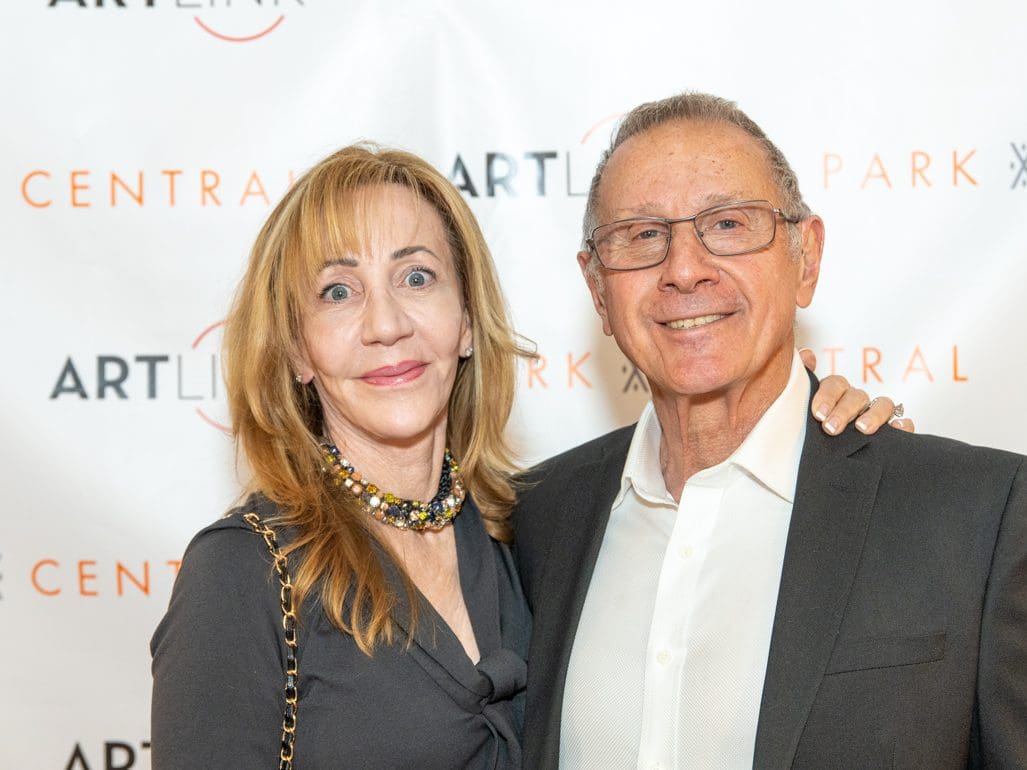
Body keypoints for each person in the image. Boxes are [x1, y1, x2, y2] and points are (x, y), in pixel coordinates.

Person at [150, 143, 901, 769]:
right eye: (337, 292)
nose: (386, 324)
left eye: (417, 277)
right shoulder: (245, 573)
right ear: (295, 349)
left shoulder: (532, 533)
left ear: (466, 320)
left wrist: (821, 439)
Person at [512, 92, 1027, 769]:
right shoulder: (533, 521)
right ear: (598, 290)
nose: (683, 269)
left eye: (728, 224)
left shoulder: (977, 515)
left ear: (805, 258)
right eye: (641, 235)